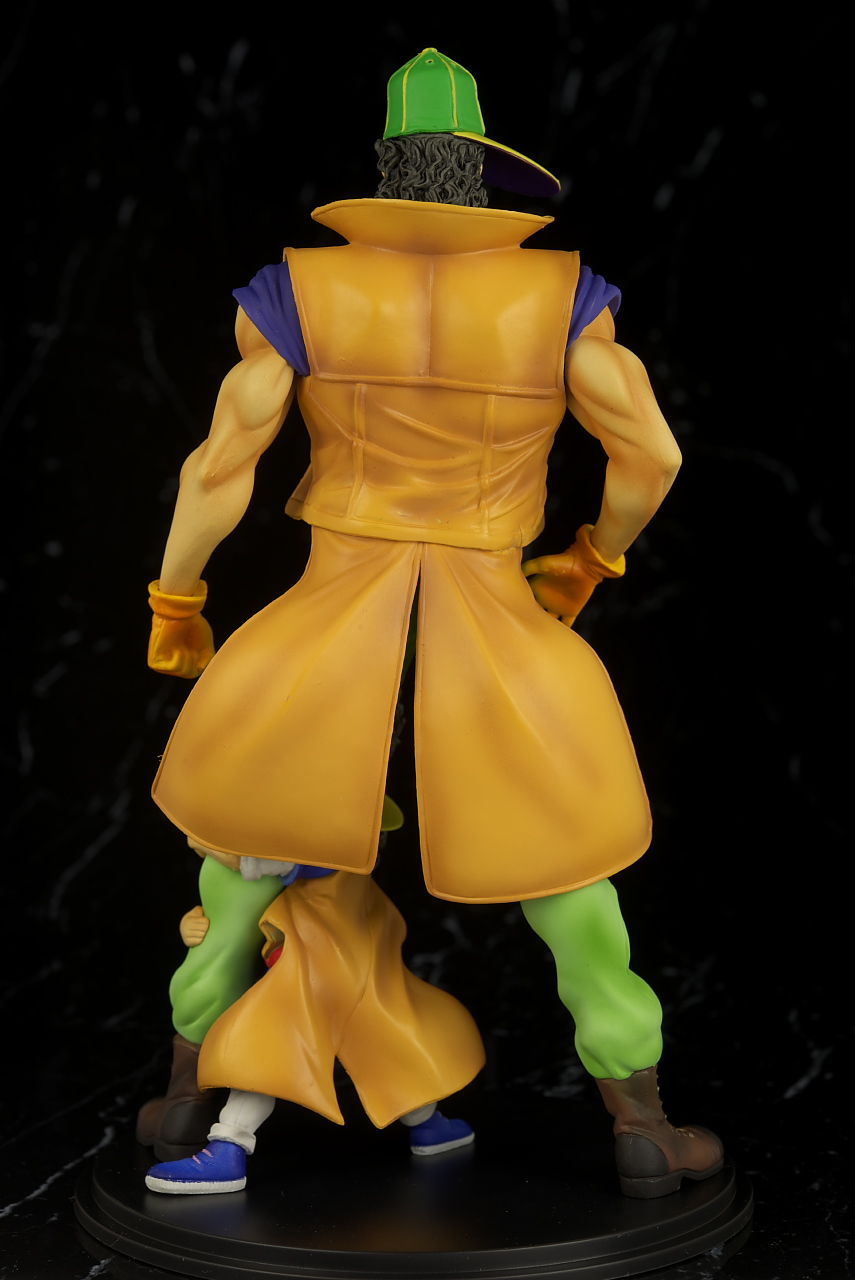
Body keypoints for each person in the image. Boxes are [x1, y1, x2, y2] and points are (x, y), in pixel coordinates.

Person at [145, 48, 723, 1199]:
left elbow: (221, 461)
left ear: (386, 167)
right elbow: (651, 453)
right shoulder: (562, 299)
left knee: (244, 866)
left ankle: (184, 1096)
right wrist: (592, 555)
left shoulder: (300, 292)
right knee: (572, 879)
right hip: (497, 624)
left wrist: (178, 593)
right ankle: (643, 1121)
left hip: (326, 619)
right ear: (479, 169)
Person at [144, 861, 483, 1194]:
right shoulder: (335, 862)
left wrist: (244, 857)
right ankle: (431, 1127)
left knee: (262, 1049)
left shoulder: (331, 857)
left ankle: (226, 1151)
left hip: (317, 975)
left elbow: (288, 863)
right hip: (330, 968)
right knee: (384, 1046)